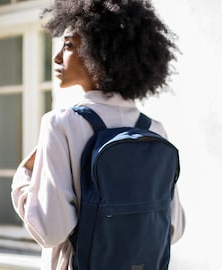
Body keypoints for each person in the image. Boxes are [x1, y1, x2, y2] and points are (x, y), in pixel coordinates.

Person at [11, 0, 185, 269]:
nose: (57, 57)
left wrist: (22, 179)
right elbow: (175, 229)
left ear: (99, 54)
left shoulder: (61, 123)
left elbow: (50, 230)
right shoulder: (153, 130)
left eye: (68, 45)